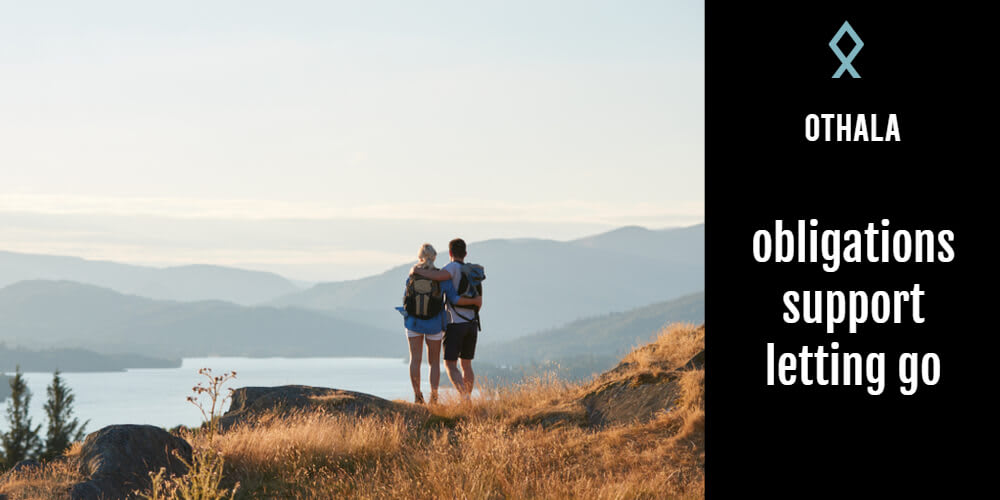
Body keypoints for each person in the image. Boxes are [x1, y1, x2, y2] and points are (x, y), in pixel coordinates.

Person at [401, 243, 481, 404]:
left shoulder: (412, 276)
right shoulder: (441, 278)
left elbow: (405, 299)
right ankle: (434, 396)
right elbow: (454, 299)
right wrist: (474, 301)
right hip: (434, 323)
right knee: (434, 362)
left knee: (415, 359)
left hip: (413, 322)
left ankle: (417, 395)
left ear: (420, 257)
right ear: (435, 257)